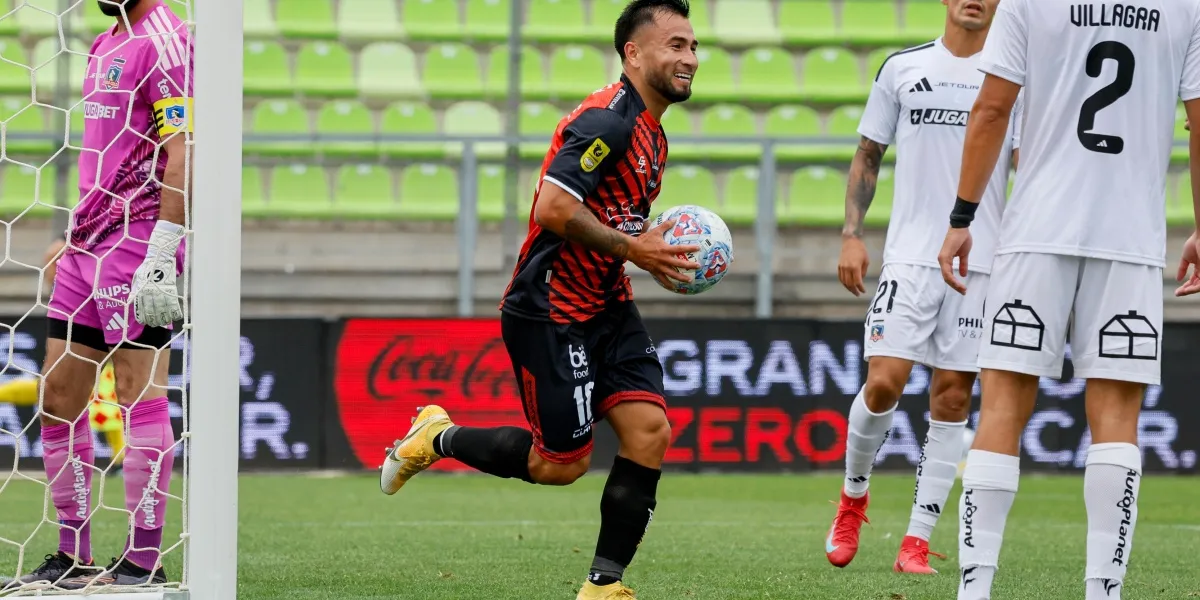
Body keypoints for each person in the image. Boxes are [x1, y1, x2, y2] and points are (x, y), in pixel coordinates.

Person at [378, 1, 699, 598]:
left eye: (693, 46)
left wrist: (643, 247)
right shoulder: (608, 122)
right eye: (675, 45)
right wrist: (637, 248)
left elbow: (613, 217)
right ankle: (437, 436)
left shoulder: (653, 134)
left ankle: (603, 586)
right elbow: (553, 209)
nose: (690, 58)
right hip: (551, 309)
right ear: (633, 54)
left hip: (607, 301)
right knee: (561, 465)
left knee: (650, 431)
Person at [937, 0, 1200, 598]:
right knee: (1117, 420)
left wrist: (961, 219)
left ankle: (974, 590)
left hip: (1036, 231)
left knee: (1002, 407)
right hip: (1130, 239)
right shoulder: (1186, 5)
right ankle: (1104, 591)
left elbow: (992, 110)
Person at [3, 0, 192, 591]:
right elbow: (107, 155)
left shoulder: (165, 40)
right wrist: (75, 232)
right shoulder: (107, 39)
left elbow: (183, 150)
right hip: (88, 243)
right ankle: (73, 555)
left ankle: (142, 562)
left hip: (137, 241)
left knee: (138, 393)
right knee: (59, 396)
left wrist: (162, 250)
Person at [827, 0, 1020, 575]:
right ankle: (853, 498)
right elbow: (868, 154)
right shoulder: (903, 67)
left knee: (953, 398)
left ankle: (916, 540)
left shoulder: (1015, 75)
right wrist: (851, 236)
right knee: (883, 383)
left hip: (979, 261)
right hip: (910, 257)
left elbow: (1028, 164)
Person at [0, 238, 127, 467]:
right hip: (75, 348)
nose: (53, 266)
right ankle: (117, 459)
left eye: (58, 260)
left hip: (100, 351)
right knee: (52, 390)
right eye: (52, 262)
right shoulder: (63, 292)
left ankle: (121, 459)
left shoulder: (98, 282)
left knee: (102, 397)